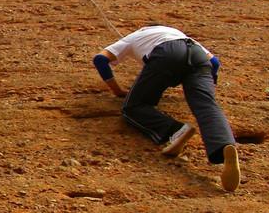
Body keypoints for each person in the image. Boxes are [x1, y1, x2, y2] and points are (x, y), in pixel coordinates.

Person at [92, 25, 241, 191]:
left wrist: (118, 91)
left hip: (166, 54)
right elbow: (214, 62)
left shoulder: (135, 36)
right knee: (207, 106)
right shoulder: (176, 32)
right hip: (197, 54)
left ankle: (175, 131)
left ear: (144, 27)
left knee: (133, 107)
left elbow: (100, 59)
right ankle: (224, 146)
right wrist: (207, 88)